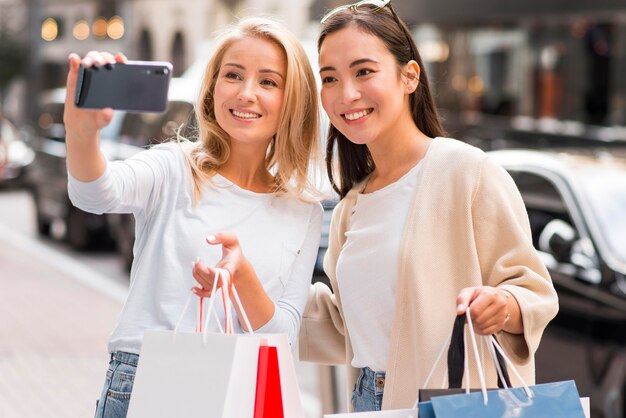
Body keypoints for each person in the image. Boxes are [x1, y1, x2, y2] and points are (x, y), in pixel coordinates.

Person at [298, 0, 559, 412]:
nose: (346, 93)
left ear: (409, 76)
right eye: (329, 78)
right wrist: (255, 279)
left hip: (450, 402)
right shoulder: (352, 205)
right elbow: (346, 328)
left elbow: (534, 291)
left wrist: (502, 305)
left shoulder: (467, 173)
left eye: (364, 71)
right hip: (367, 399)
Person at [64, 17, 323, 418]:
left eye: (269, 81)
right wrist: (81, 130)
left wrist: (241, 277)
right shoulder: (174, 167)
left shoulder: (303, 210)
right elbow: (94, 193)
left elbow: (283, 337)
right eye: (232, 75)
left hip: (243, 387)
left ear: (294, 101)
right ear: (213, 88)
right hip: (146, 377)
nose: (246, 93)